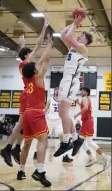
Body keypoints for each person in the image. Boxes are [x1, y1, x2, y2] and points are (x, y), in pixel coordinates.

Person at [0, 17, 49, 167]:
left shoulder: (22, 64)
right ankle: (8, 148)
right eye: (30, 52)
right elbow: (39, 44)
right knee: (21, 122)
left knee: (23, 123)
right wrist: (44, 28)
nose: (33, 53)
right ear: (27, 55)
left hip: (27, 93)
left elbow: (26, 51)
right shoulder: (26, 63)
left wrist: (22, 45)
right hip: (28, 95)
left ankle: (14, 147)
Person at [54, 15, 93, 157]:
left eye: (81, 36)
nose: (79, 37)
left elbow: (69, 37)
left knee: (63, 112)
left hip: (71, 80)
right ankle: (76, 139)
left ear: (85, 41)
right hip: (66, 80)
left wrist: (75, 25)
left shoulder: (83, 49)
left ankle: (66, 141)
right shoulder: (72, 48)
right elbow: (64, 34)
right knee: (62, 113)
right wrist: (73, 23)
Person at [16, 34, 52, 187]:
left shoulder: (27, 78)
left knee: (27, 144)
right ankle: (40, 170)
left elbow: (40, 62)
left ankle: (21, 170)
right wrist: (49, 45)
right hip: (37, 112)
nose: (38, 66)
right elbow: (46, 60)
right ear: (35, 70)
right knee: (43, 140)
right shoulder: (38, 79)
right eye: (36, 67)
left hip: (27, 113)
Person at [74, 87, 111, 170]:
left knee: (81, 141)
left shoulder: (84, 98)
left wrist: (76, 114)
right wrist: (79, 104)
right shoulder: (86, 99)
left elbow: (86, 108)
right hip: (88, 121)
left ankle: (92, 157)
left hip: (87, 121)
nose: (81, 91)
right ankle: (105, 157)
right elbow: (85, 107)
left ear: (87, 92)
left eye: (83, 90)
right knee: (89, 142)